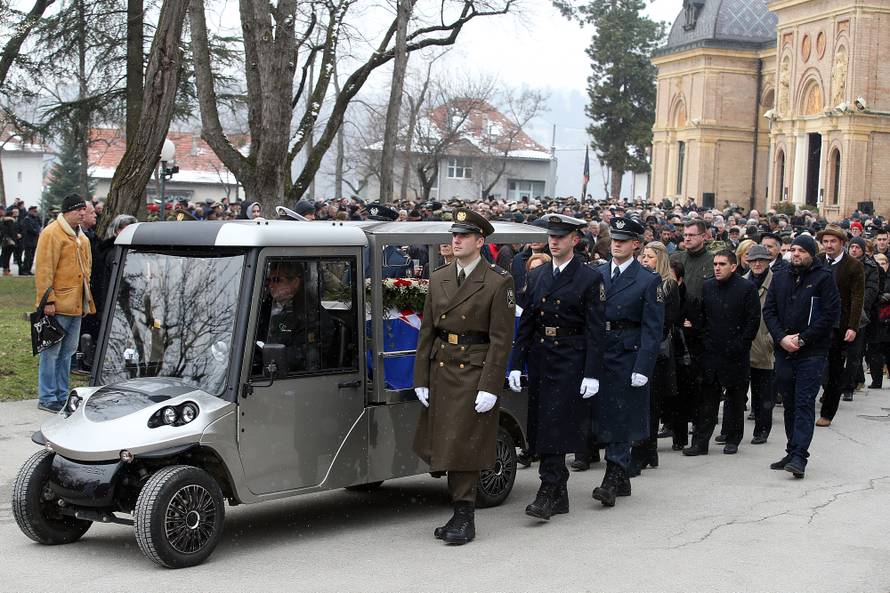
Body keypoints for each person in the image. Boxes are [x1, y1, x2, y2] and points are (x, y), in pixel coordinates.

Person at [412, 208, 515, 545]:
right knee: (443, 441)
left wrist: (490, 385)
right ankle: (458, 510)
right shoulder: (440, 277)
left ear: (480, 241)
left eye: (464, 236)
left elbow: (501, 340)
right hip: (442, 367)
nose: (455, 241)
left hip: (473, 369)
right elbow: (427, 330)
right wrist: (420, 377)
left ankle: (464, 514)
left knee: (464, 443)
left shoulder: (498, 281)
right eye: (454, 235)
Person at [508, 214, 604, 521]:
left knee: (555, 423)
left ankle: (549, 489)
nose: (554, 241)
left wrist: (591, 372)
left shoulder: (589, 278)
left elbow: (595, 329)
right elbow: (528, 323)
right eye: (551, 236)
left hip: (570, 357)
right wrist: (515, 363)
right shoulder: (537, 276)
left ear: (575, 240)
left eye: (561, 237)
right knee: (541, 422)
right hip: (541, 356)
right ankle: (558, 491)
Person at [591, 217, 664, 507]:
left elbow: (652, 327)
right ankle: (621, 477)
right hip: (601, 349)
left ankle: (613, 474)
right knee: (603, 413)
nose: (617, 244)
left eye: (624, 240)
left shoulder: (648, 279)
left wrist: (643, 367)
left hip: (627, 352)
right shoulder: (598, 274)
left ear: (637, 244)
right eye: (614, 239)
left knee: (620, 416)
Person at [763, 235, 840, 478]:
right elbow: (770, 310)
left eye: (801, 251)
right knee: (789, 402)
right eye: (793, 249)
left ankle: (800, 456)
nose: (795, 254)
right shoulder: (781, 276)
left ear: (811, 253)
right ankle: (791, 449)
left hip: (812, 352)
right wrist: (781, 338)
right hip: (785, 349)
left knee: (804, 402)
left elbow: (829, 315)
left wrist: (803, 338)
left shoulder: (824, 278)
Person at [683, 250, 760, 456]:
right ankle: (700, 442)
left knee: (735, 399)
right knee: (706, 400)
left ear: (733, 267)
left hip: (735, 354)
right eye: (715, 264)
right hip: (711, 352)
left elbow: (752, 322)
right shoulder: (708, 286)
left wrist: (739, 346)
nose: (717, 267)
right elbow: (703, 316)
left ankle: (733, 438)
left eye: (722, 264)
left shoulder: (747, 288)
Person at [34, 194, 95, 412]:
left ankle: (61, 394)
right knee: (50, 352)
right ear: (67, 211)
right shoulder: (52, 233)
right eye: (78, 210)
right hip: (57, 304)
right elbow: (44, 270)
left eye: (83, 210)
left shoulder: (83, 238)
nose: (82, 213)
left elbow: (86, 272)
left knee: (67, 352)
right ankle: (47, 397)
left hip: (76, 305)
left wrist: (86, 301)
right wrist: (47, 301)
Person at [632, 241, 680, 473]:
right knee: (643, 402)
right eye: (643, 256)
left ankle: (645, 450)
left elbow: (666, 320)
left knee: (651, 402)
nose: (644, 260)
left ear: (659, 259)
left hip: (657, 352)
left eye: (650, 257)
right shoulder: (642, 281)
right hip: (639, 347)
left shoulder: (668, 286)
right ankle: (647, 450)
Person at [816, 224, 865, 427]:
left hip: (839, 325)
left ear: (842, 243)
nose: (828, 245)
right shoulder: (818, 261)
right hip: (817, 323)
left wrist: (852, 326)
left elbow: (857, 297)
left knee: (835, 369)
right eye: (825, 241)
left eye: (833, 241)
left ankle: (828, 412)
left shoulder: (852, 266)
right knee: (814, 366)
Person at [743, 245, 776, 444]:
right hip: (743, 342)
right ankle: (732, 431)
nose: (757, 263)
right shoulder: (742, 282)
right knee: (737, 391)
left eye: (762, 260)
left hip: (765, 343)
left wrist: (771, 339)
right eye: (754, 260)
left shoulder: (777, 282)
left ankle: (762, 429)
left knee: (763, 391)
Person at [844, 237, 879, 400]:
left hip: (861, 316)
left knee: (854, 354)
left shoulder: (871, 267)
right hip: (840, 313)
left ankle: (849, 387)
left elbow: (871, 290)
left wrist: (858, 306)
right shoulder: (842, 264)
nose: (854, 250)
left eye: (858, 247)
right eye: (852, 247)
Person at [868, 252, 890, 386]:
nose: (881, 266)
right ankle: (876, 381)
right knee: (874, 350)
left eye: (883, 263)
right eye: (879, 263)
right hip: (876, 317)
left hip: (887, 319)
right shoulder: (874, 276)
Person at [19, 205, 41, 275]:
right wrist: (37, 232)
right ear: (30, 211)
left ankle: (29, 269)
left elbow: (38, 226)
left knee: (32, 256)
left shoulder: (35, 219)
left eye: (36, 211)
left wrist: (38, 231)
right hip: (28, 240)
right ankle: (25, 270)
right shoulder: (27, 219)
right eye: (34, 211)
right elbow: (30, 229)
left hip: (34, 240)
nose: (35, 212)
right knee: (27, 256)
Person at [0, 206, 18, 275]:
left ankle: (6, 270)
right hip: (8, 240)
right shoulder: (9, 220)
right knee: (6, 256)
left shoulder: (5, 220)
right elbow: (9, 231)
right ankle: (6, 270)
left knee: (6, 255)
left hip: (6, 240)